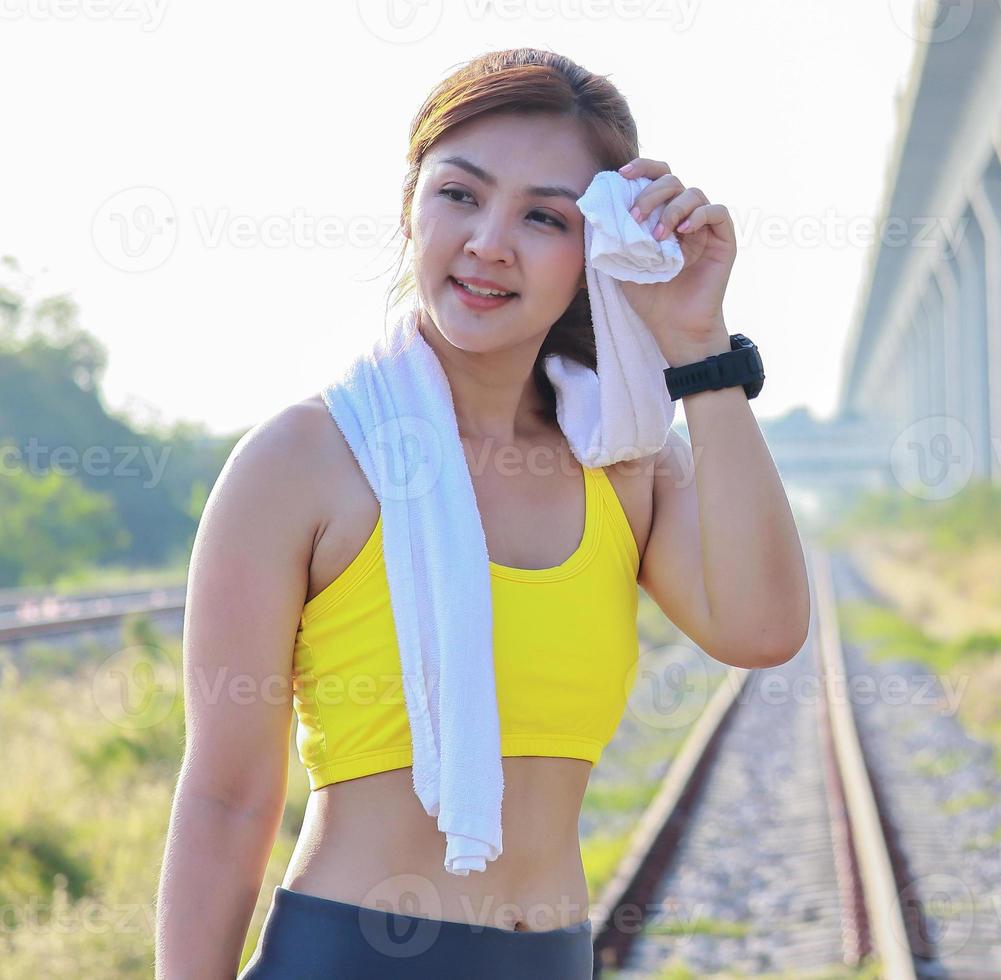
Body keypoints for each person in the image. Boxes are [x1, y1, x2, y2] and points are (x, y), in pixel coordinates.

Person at [154, 47, 811, 979]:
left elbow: (765, 628)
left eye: (543, 215)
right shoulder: (302, 463)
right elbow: (226, 796)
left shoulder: (621, 462)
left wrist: (698, 348)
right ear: (410, 205)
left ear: (597, 248)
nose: (489, 242)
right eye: (460, 194)